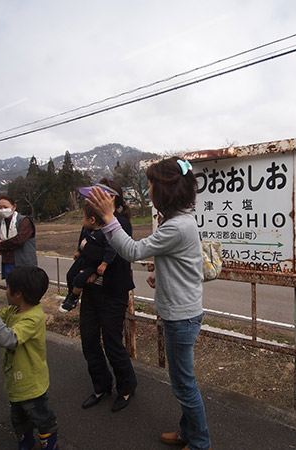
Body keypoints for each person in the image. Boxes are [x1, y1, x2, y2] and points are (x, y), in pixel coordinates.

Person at [88, 159, 211, 450]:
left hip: (181, 318)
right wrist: (161, 273)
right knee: (182, 381)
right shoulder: (180, 220)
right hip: (180, 312)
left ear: (166, 190)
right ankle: (187, 431)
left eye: (152, 184)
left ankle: (200, 443)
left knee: (184, 384)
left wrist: (109, 218)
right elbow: (183, 262)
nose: (149, 189)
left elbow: (132, 251)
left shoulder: (177, 226)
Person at [0, 267, 59, 450]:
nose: (6, 291)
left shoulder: (33, 318)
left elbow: (7, 339)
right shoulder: (14, 310)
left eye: (8, 287)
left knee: (42, 418)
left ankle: (49, 444)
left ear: (18, 293)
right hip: (16, 381)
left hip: (32, 383)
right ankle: (25, 441)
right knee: (18, 418)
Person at [78, 178, 137, 413]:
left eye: (97, 194)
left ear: (110, 198)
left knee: (113, 343)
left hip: (113, 291)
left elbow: (111, 253)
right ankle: (101, 385)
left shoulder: (121, 222)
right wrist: (90, 258)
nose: (92, 198)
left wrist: (89, 252)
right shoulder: (88, 221)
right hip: (92, 291)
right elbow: (82, 249)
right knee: (89, 339)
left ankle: (126, 386)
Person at [58, 203, 116, 313]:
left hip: (93, 263)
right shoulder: (86, 230)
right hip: (83, 258)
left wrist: (104, 263)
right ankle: (70, 294)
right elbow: (82, 242)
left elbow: (110, 249)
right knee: (70, 275)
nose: (82, 221)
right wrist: (79, 251)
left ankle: (74, 298)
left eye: (83, 218)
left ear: (92, 220)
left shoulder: (105, 233)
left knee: (79, 279)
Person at [0, 195, 37, 281]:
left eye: (5, 207)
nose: (3, 210)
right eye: (0, 208)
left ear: (14, 207)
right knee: (11, 290)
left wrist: (2, 243)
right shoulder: (0, 225)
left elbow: (19, 240)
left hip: (24, 264)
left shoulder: (24, 221)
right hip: (7, 263)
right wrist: (9, 243)